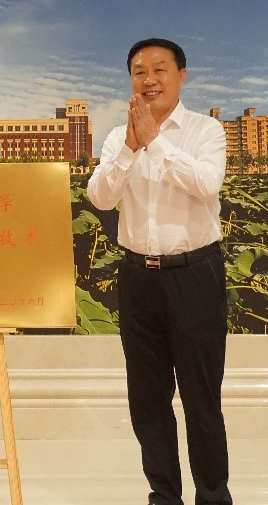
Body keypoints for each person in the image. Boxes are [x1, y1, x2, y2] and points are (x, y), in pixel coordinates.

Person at [86, 38, 233, 505]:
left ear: (181, 76)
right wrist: (131, 148)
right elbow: (100, 197)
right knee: (147, 399)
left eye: (159, 69)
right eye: (138, 71)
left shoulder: (205, 130)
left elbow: (206, 183)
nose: (148, 80)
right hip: (138, 279)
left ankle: (213, 497)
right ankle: (164, 497)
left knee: (201, 397)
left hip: (195, 275)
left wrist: (155, 142)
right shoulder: (118, 137)